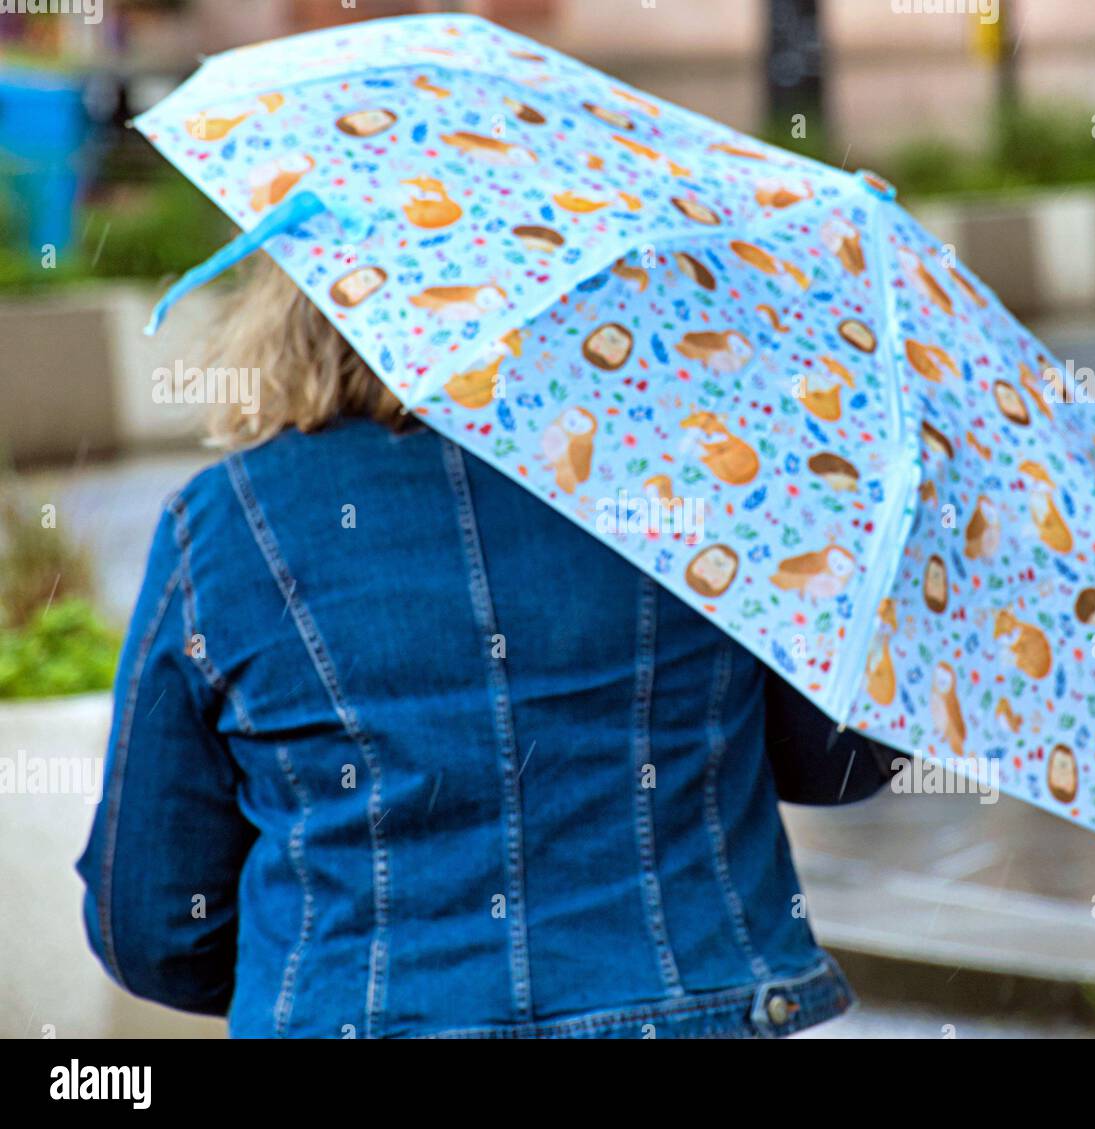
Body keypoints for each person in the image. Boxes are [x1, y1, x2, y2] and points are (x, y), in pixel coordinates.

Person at [77, 256, 893, 1039]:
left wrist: (315, 983)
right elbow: (838, 764)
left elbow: (153, 923)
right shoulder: (698, 482)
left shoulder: (226, 526)